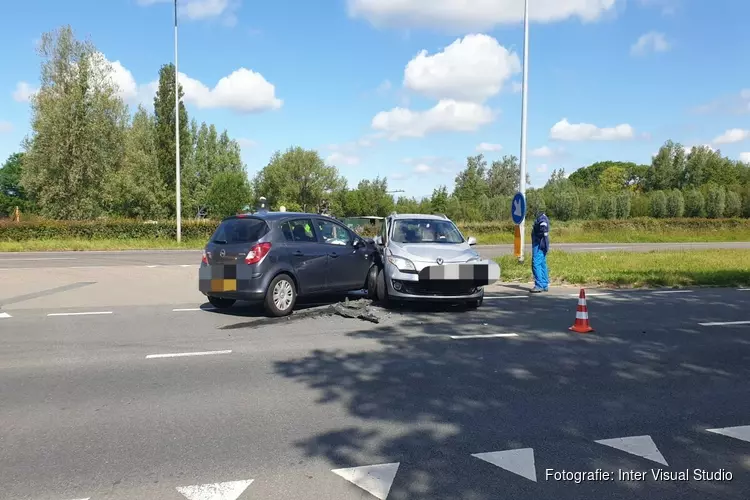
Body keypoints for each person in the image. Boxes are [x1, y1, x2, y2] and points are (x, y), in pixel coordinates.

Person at [530, 209, 550, 293]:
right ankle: (544, 284)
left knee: (536, 264)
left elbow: (544, 229)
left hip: (539, 244)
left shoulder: (541, 219)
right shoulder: (543, 217)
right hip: (543, 244)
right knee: (542, 264)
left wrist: (539, 236)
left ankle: (539, 285)